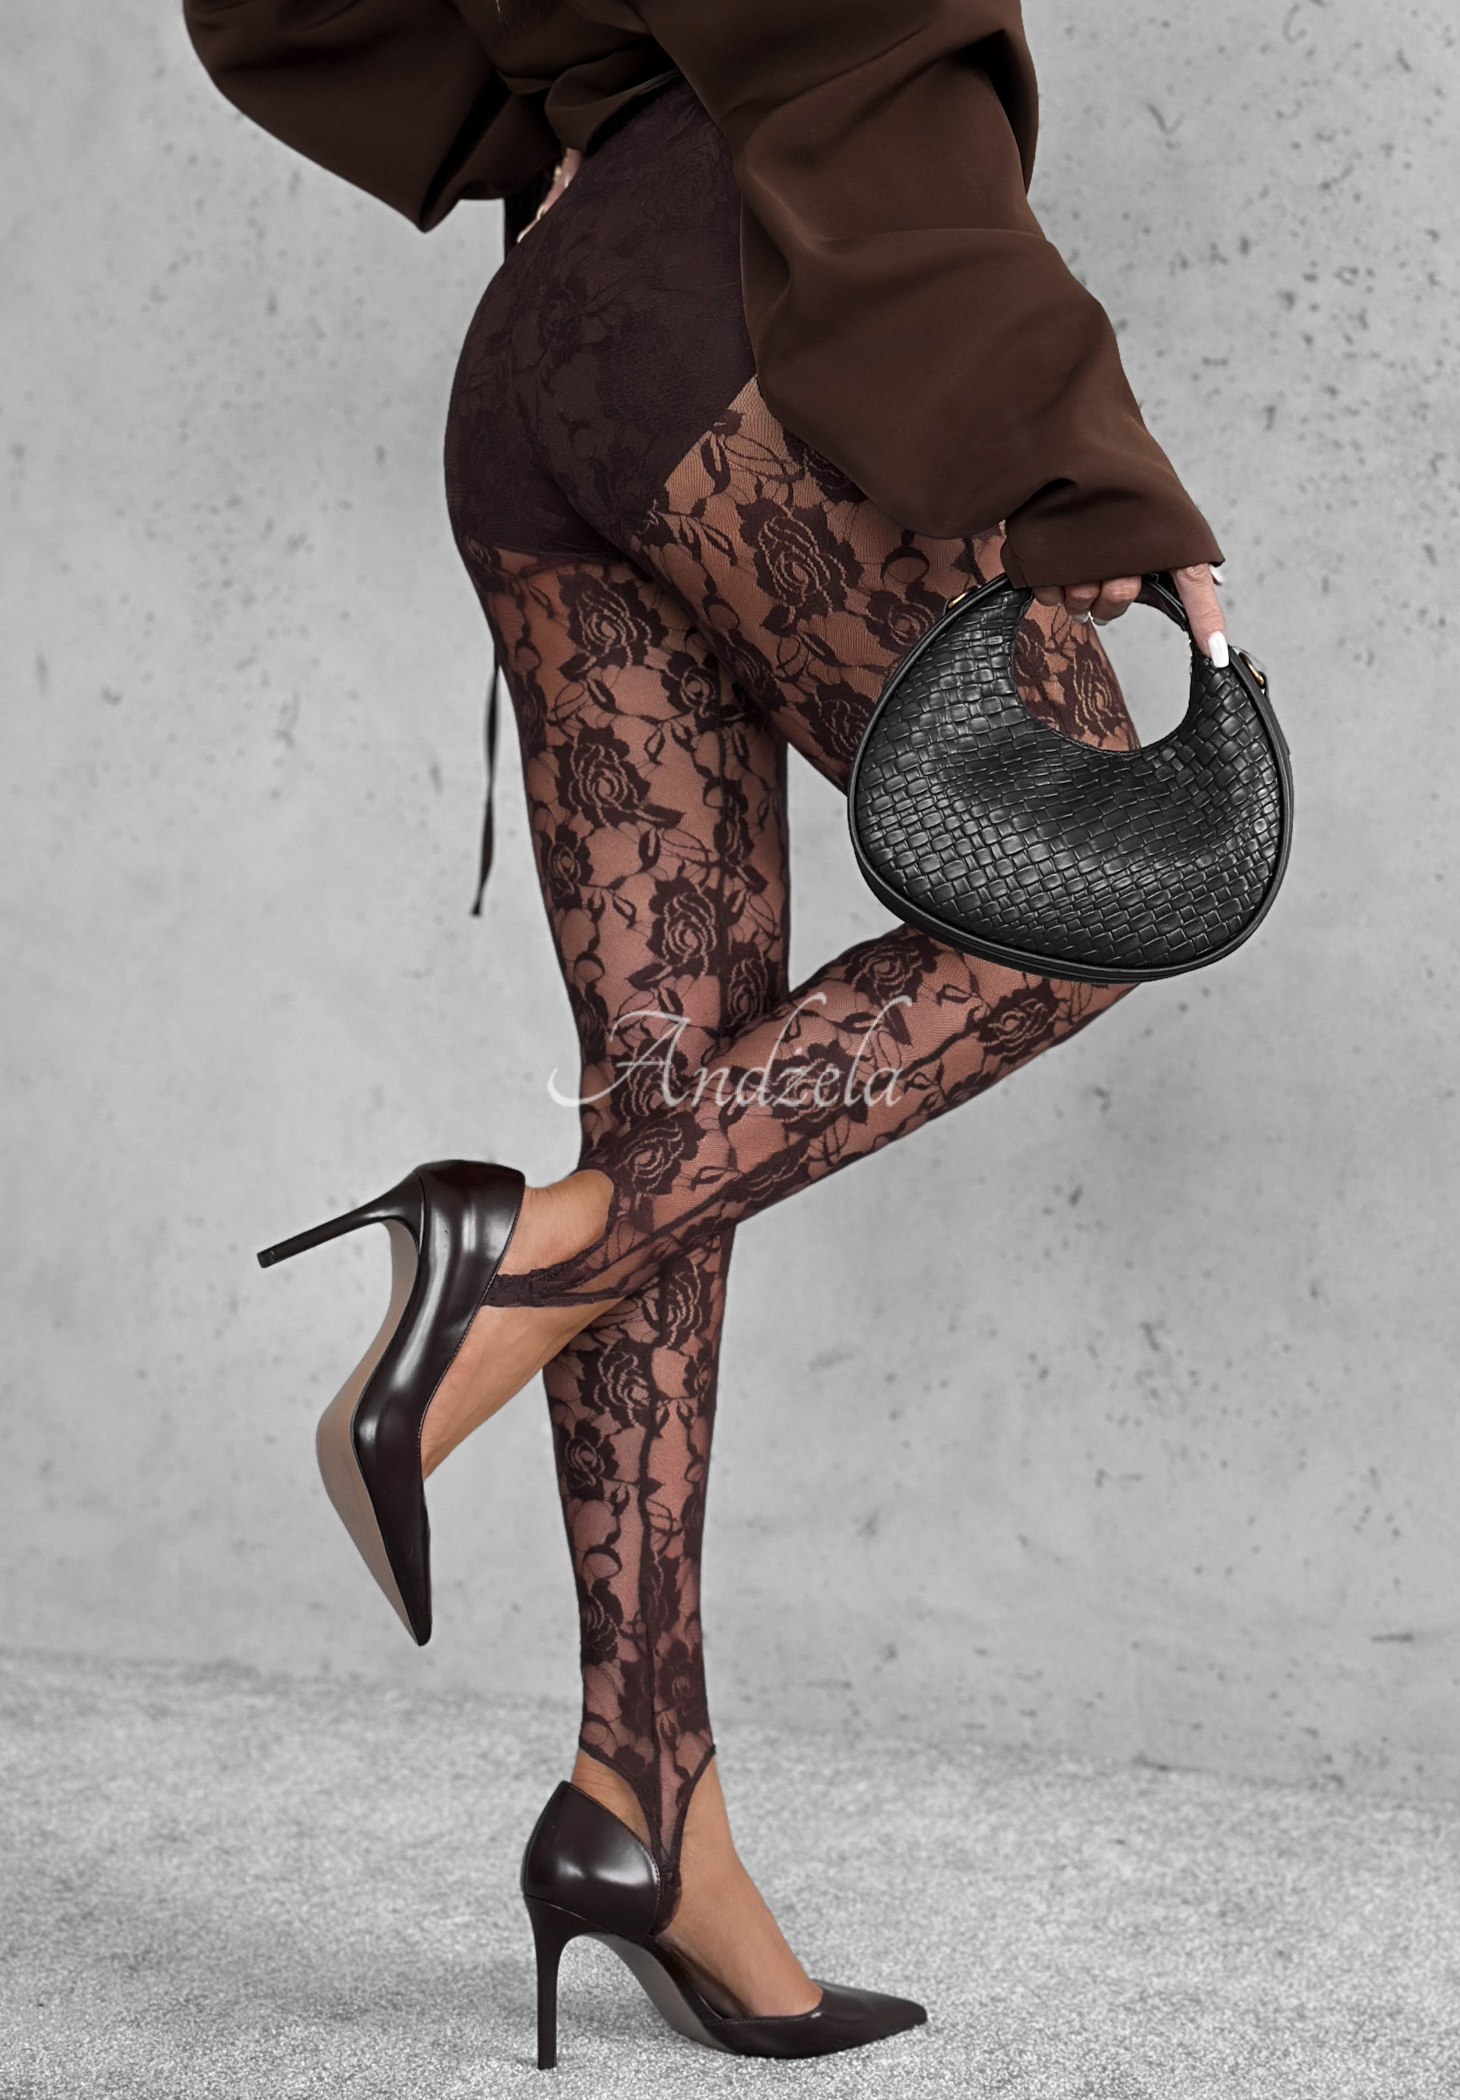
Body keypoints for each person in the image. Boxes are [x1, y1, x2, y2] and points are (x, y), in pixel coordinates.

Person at [187, 0, 1227, 2065]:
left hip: (555, 345)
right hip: (726, 295)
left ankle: (645, 1802)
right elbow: (853, 29)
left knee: (672, 1107)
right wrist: (1078, 454)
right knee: (1100, 872)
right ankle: (516, 1263)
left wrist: (550, 112)